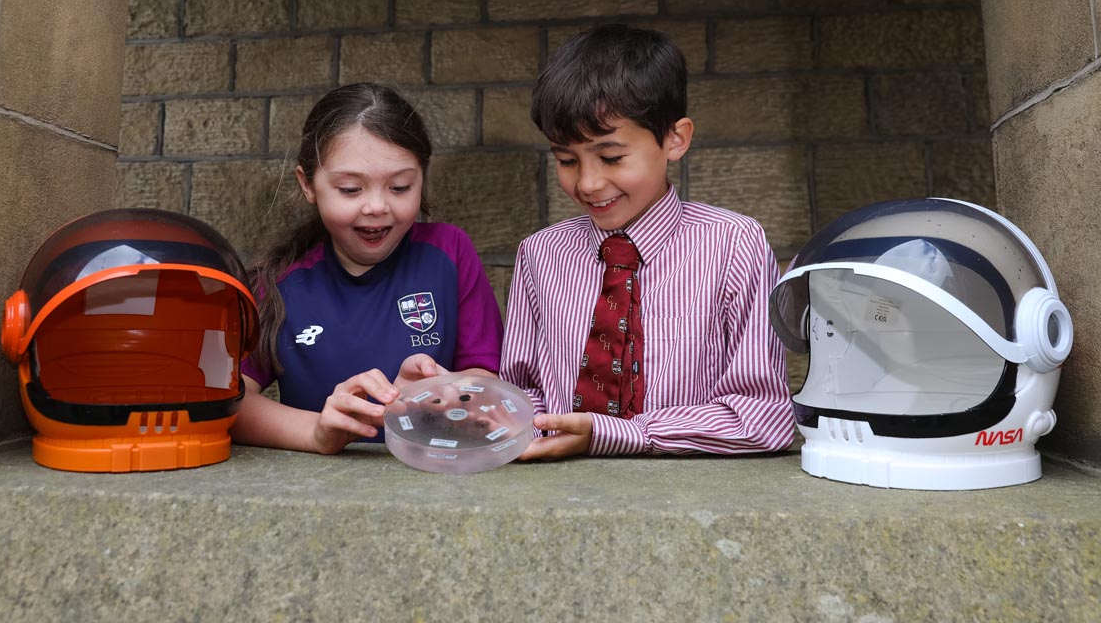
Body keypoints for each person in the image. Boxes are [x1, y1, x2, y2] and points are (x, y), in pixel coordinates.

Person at [501, 24, 795, 461]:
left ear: (675, 139)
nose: (587, 182)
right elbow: (520, 399)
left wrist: (618, 433)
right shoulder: (540, 255)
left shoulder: (734, 245)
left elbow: (762, 419)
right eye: (565, 160)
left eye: (612, 157)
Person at [234, 83, 503, 454]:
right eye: (350, 189)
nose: (377, 206)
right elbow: (228, 399)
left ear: (421, 179)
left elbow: (488, 379)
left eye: (399, 187)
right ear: (308, 184)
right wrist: (317, 432)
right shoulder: (278, 283)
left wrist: (434, 392)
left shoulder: (449, 252)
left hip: (434, 478)